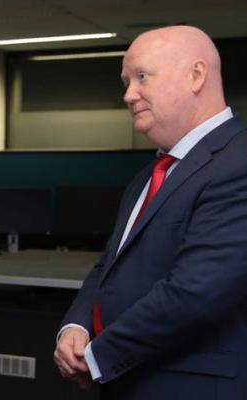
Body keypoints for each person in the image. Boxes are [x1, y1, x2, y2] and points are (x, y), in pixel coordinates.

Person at [54, 26, 247, 399]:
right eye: (126, 82)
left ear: (196, 75)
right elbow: (109, 266)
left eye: (142, 77)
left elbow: (196, 292)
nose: (128, 95)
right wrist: (76, 327)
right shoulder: (151, 174)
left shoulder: (238, 164)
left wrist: (97, 357)